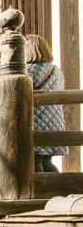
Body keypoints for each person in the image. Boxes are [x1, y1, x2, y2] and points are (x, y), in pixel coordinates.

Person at [26, 34, 67, 172]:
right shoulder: (56, 70)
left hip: (36, 122)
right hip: (55, 122)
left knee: (35, 159)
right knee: (47, 160)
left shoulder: (28, 71)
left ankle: (41, 190)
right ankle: (58, 189)